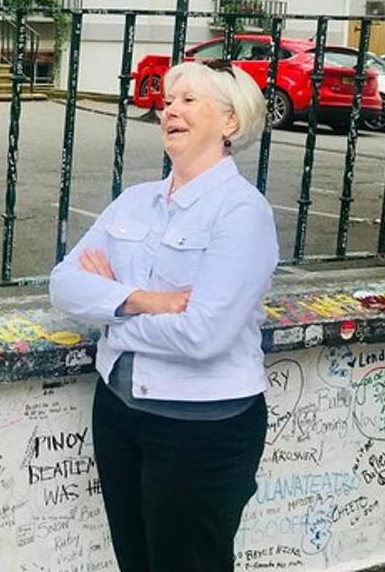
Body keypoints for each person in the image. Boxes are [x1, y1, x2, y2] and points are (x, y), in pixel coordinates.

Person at [48, 60, 278, 571]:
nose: (170, 109)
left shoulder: (242, 213)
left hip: (200, 428)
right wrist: (145, 299)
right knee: (137, 561)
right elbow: (63, 284)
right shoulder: (135, 203)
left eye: (189, 100)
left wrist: (110, 309)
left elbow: (203, 336)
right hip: (118, 414)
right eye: (168, 101)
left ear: (230, 122)